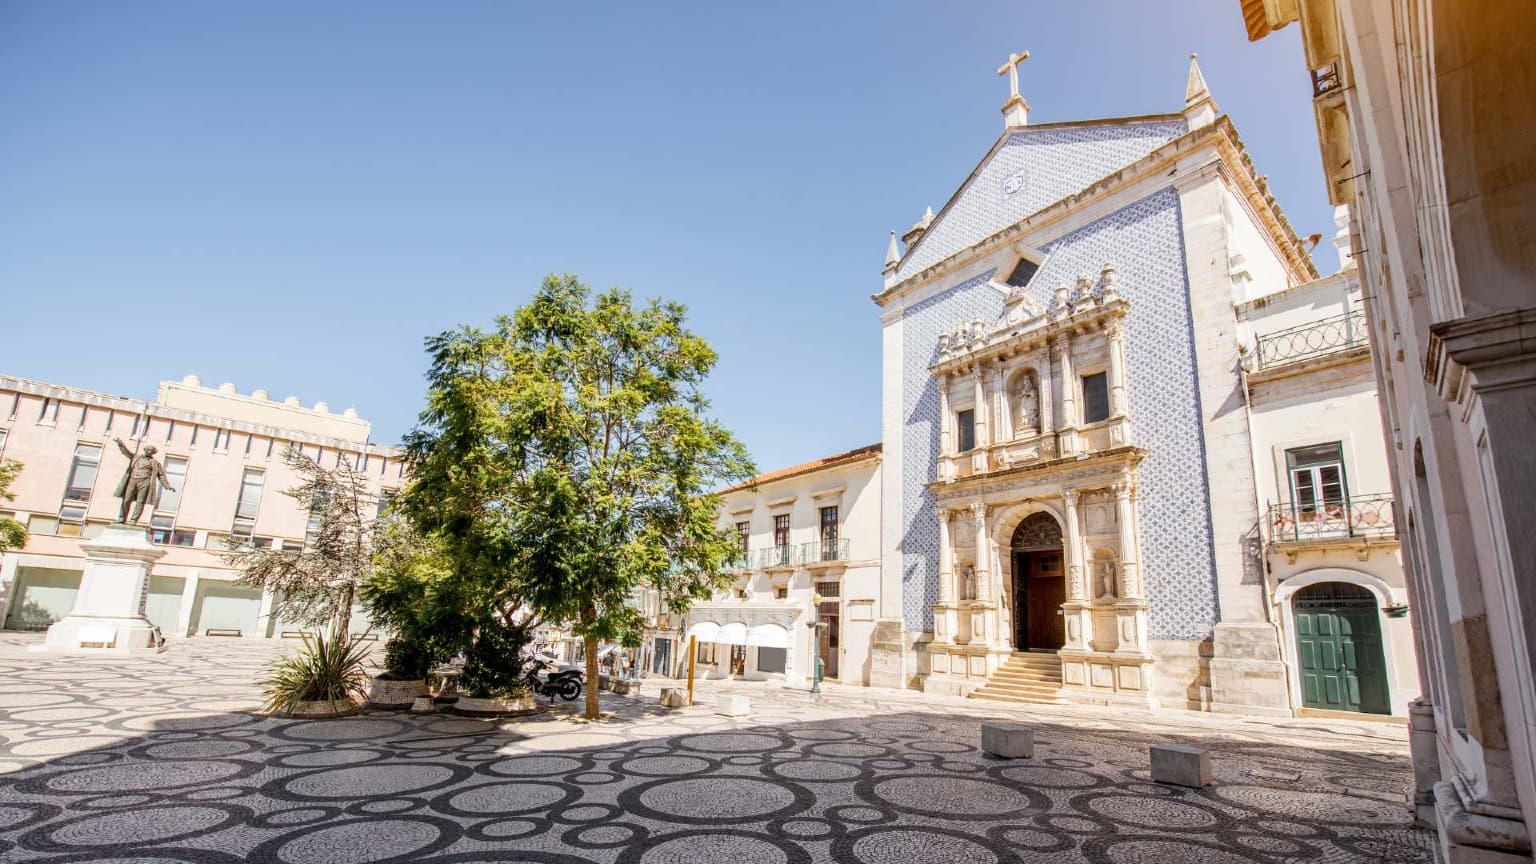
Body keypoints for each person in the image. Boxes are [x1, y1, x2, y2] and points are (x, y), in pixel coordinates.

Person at [113, 437, 176, 524]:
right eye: (147, 449)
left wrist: (167, 486)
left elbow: (161, 475)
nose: (148, 451)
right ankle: (121, 518)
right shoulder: (136, 457)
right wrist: (121, 444)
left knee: (140, 502)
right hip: (132, 480)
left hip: (145, 483)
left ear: (153, 452)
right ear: (145, 450)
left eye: (150, 450)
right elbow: (126, 452)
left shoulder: (155, 463)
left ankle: (133, 520)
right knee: (126, 499)